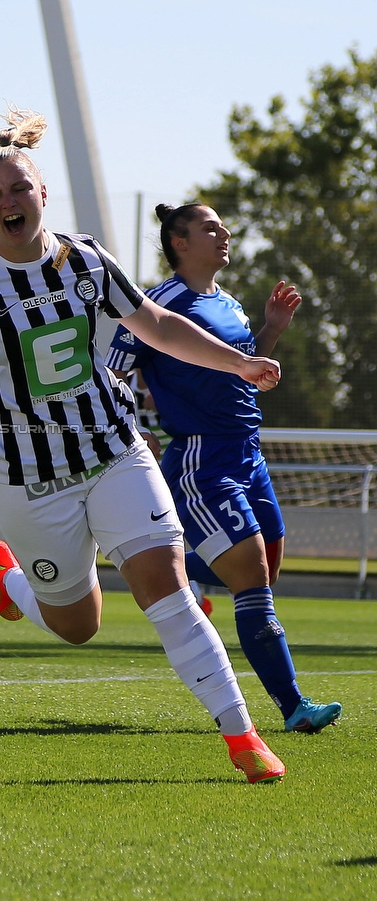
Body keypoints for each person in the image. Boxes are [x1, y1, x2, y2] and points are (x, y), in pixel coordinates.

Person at [0, 110, 287, 783]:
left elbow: (156, 325)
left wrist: (237, 363)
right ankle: (13, 581)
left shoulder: (87, 260)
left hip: (114, 451)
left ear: (42, 194)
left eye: (19, 190)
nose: (8, 203)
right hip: (29, 479)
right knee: (79, 625)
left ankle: (242, 736)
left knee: (168, 589)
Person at [105, 201, 342, 734]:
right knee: (253, 578)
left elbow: (241, 366)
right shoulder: (158, 304)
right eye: (210, 227)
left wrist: (271, 331)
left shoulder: (229, 305)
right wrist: (132, 425)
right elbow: (111, 372)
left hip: (248, 454)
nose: (224, 233)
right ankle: (293, 707)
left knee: (264, 571)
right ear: (179, 243)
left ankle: (174, 571)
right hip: (200, 458)